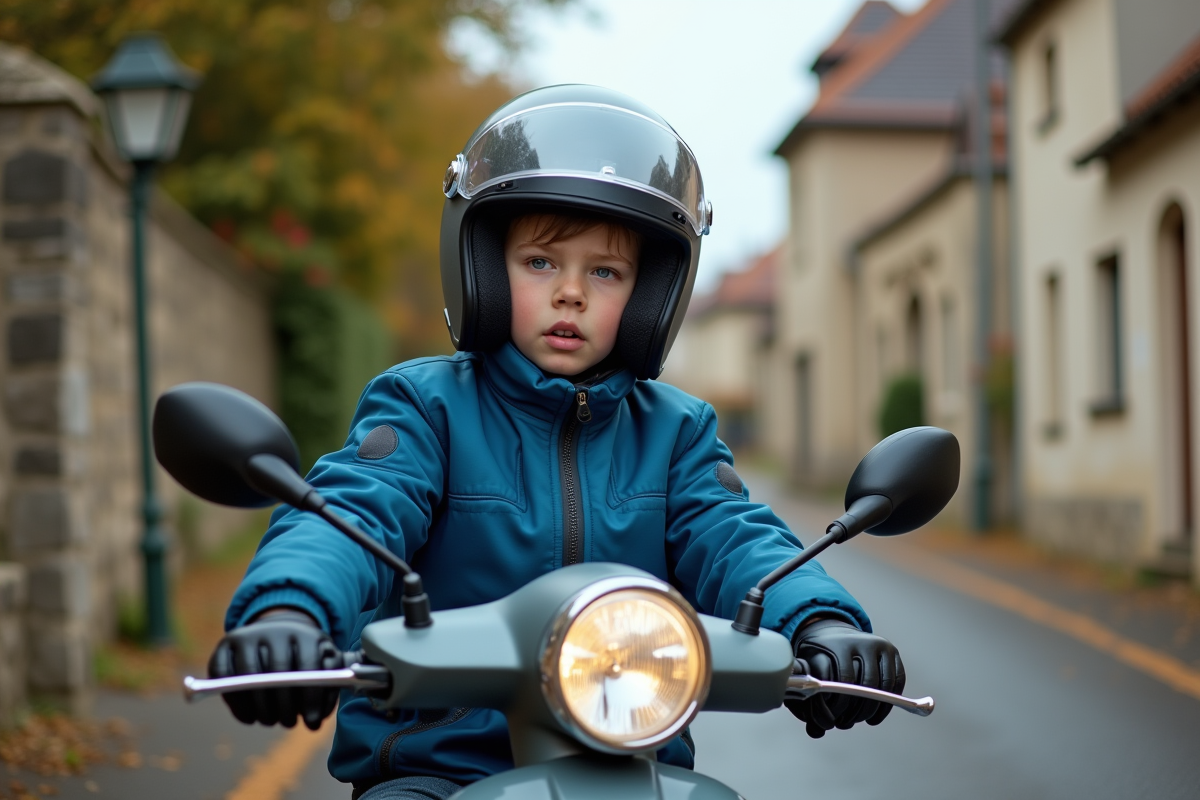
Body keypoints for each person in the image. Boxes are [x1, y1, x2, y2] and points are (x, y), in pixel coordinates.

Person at [210, 85, 905, 800]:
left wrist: (821, 620)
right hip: (436, 771)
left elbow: (734, 536)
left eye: (605, 272)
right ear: (483, 266)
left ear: (649, 298)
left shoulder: (676, 432)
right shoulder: (426, 407)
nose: (571, 292)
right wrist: (290, 607)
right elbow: (356, 510)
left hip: (633, 766)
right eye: (540, 262)